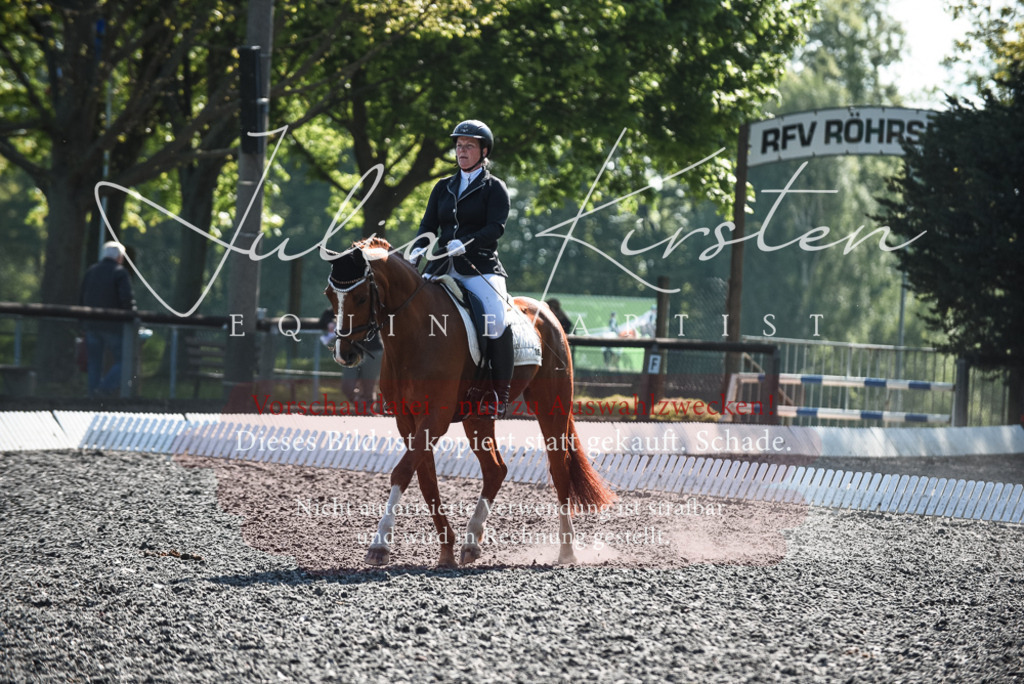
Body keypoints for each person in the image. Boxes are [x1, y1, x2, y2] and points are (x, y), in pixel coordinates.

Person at [408, 119, 514, 418]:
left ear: (484, 151)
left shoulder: (494, 187)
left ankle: (499, 393)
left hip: (480, 266)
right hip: (441, 263)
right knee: (410, 309)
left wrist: (467, 242)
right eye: (458, 146)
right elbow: (428, 225)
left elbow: (496, 227)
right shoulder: (443, 186)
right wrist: (418, 248)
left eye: (469, 146)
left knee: (496, 319)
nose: (461, 151)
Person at [79, 241, 136, 396]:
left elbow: (82, 297)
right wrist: (132, 317)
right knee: (125, 361)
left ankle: (92, 395)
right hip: (113, 326)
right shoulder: (120, 272)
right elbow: (127, 299)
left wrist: (82, 323)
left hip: (91, 325)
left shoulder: (91, 271)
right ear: (119, 257)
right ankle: (104, 389)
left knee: (94, 363)